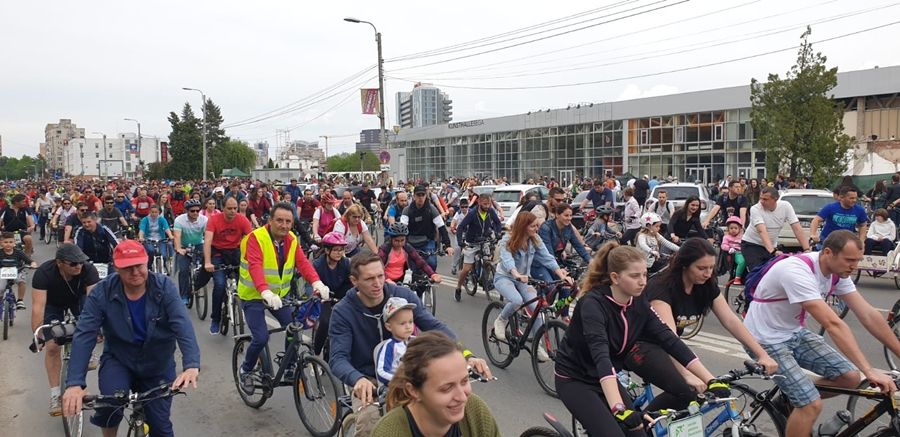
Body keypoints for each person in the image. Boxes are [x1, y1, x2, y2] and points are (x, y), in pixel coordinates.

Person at [553, 242, 728, 437]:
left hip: (606, 378)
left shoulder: (638, 302)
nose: (643, 281)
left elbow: (670, 340)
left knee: (639, 434)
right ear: (615, 278)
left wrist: (710, 379)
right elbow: (601, 357)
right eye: (635, 276)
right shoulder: (593, 305)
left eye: (644, 274)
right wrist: (620, 409)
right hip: (575, 379)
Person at [743, 230, 900, 436]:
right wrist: (869, 370)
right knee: (810, 405)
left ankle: (788, 400)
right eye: (850, 260)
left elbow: (869, 314)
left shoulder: (837, 272)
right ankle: (799, 401)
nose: (854, 266)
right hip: (764, 340)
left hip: (793, 333)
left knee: (850, 378)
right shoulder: (796, 270)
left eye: (858, 260)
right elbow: (833, 324)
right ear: (828, 253)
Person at [329, 253, 491, 437]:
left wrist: (466, 355)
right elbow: (338, 358)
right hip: (369, 380)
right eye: (369, 278)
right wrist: (357, 379)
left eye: (381, 276)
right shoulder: (343, 312)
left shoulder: (402, 296)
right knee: (369, 423)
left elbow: (435, 328)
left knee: (448, 405)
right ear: (354, 281)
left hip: (410, 373)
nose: (377, 283)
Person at [61, 240, 200, 437]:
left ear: (147, 262)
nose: (135, 272)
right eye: (127, 267)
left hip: (157, 364)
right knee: (109, 405)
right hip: (119, 359)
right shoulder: (102, 291)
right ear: (116, 267)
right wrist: (75, 383)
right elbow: (85, 334)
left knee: (160, 427)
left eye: (139, 265)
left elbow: (183, 326)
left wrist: (191, 365)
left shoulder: (165, 287)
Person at [236, 202, 329, 393]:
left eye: (288, 221)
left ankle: (288, 366)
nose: (284, 225)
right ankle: (245, 370)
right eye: (279, 220)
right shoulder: (256, 238)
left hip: (278, 296)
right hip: (254, 296)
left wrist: (317, 283)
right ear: (270, 220)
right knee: (261, 338)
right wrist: (265, 291)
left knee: (293, 328)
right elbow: (254, 266)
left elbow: (303, 263)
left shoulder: (292, 239)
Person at [372, 331, 501, 437]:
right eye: (447, 388)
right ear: (413, 391)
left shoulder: (475, 412)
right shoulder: (387, 432)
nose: (462, 397)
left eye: (464, 381)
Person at [492, 211, 573, 362]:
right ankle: (501, 320)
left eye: (537, 225)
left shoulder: (535, 240)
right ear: (523, 226)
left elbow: (547, 257)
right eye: (533, 226)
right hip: (505, 277)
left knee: (538, 309)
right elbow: (507, 259)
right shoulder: (507, 240)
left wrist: (562, 276)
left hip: (524, 280)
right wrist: (516, 273)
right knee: (516, 300)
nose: (537, 229)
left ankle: (538, 344)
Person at [30, 244, 100, 415]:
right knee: (53, 347)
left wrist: (96, 330)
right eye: (73, 264)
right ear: (59, 263)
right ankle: (55, 395)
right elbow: (38, 307)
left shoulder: (89, 270)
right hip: (53, 304)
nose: (78, 266)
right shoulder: (44, 273)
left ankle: (79, 386)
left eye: (81, 263)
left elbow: (94, 302)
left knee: (85, 336)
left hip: (80, 300)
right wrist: (38, 335)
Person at [203, 196, 253, 334]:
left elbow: (252, 240)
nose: (232, 211)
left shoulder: (242, 220)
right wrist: (207, 262)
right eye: (229, 208)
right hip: (217, 253)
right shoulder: (214, 220)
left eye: (235, 208)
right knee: (219, 284)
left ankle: (243, 310)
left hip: (235, 252)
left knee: (243, 284)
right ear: (223, 208)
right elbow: (207, 241)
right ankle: (216, 319)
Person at [740, 187, 811, 272]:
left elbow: (797, 228)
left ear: (775, 199)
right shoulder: (755, 209)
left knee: (773, 272)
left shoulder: (785, 206)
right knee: (757, 273)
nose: (761, 201)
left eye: (765, 199)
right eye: (760, 198)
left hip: (771, 245)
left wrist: (806, 249)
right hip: (752, 244)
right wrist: (773, 251)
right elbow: (762, 231)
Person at [454, 194, 503, 301]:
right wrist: (460, 242)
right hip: (472, 242)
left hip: (485, 240)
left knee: (488, 261)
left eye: (489, 204)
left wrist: (498, 233)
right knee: (466, 269)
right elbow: (461, 228)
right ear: (479, 203)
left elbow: (498, 223)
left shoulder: (490, 211)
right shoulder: (472, 214)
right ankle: (458, 288)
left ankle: (485, 279)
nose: (487, 206)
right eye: (485, 204)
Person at [311, 232, 353, 356]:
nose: (339, 253)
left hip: (340, 296)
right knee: (325, 322)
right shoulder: (318, 265)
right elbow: (311, 285)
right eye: (336, 250)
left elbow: (352, 281)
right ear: (327, 250)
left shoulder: (346, 263)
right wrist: (318, 295)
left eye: (341, 250)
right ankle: (316, 354)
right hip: (323, 298)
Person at [400, 184, 455, 272]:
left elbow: (441, 227)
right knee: (410, 267)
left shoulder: (431, 209)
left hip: (428, 242)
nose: (420, 197)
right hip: (411, 242)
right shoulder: (407, 210)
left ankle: (430, 281)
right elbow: (402, 229)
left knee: (432, 263)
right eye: (418, 195)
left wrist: (448, 245)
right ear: (414, 196)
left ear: (426, 196)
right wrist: (401, 244)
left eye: (423, 195)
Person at [810, 185, 869, 250]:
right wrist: (813, 234)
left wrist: (861, 240)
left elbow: (863, 225)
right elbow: (816, 220)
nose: (854, 200)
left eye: (855, 198)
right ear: (841, 198)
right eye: (851, 198)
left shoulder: (859, 210)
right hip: (827, 241)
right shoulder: (831, 207)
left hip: (846, 243)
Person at [375, 297, 417, 386]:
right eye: (402, 323)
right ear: (389, 327)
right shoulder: (390, 346)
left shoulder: (416, 341)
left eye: (410, 322)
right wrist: (399, 381)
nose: (408, 327)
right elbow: (381, 372)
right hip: (399, 387)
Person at [173, 199, 207, 305]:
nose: (195, 213)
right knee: (183, 270)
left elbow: (208, 235)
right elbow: (177, 236)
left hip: (198, 244)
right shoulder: (179, 220)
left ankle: (199, 282)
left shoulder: (204, 220)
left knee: (204, 267)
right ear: (187, 211)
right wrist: (179, 249)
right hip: (184, 246)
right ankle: (183, 295)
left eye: (197, 211)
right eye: (192, 211)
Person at [0, 232, 36, 312]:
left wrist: (33, 264)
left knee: (21, 281)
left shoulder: (19, 252)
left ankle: (20, 300)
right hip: (2, 274)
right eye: (5, 242)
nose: (8, 244)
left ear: (14, 243)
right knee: (1, 288)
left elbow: (29, 261)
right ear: (1, 243)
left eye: (10, 242)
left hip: (17, 272)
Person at [138, 205, 174, 271]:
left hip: (161, 239)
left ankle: (163, 265)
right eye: (152, 212)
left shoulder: (162, 219)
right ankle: (149, 267)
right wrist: (141, 237)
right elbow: (142, 229)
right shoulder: (145, 219)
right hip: (148, 240)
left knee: (164, 255)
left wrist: (170, 235)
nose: (154, 214)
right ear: (149, 212)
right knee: (150, 251)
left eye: (156, 212)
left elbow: (166, 228)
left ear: (159, 212)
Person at [719, 216, 747, 282]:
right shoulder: (726, 237)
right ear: (728, 229)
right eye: (731, 228)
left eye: (735, 228)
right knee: (742, 262)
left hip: (743, 252)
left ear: (739, 229)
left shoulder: (743, 237)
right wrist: (729, 248)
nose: (733, 230)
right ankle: (737, 277)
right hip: (734, 253)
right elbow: (723, 245)